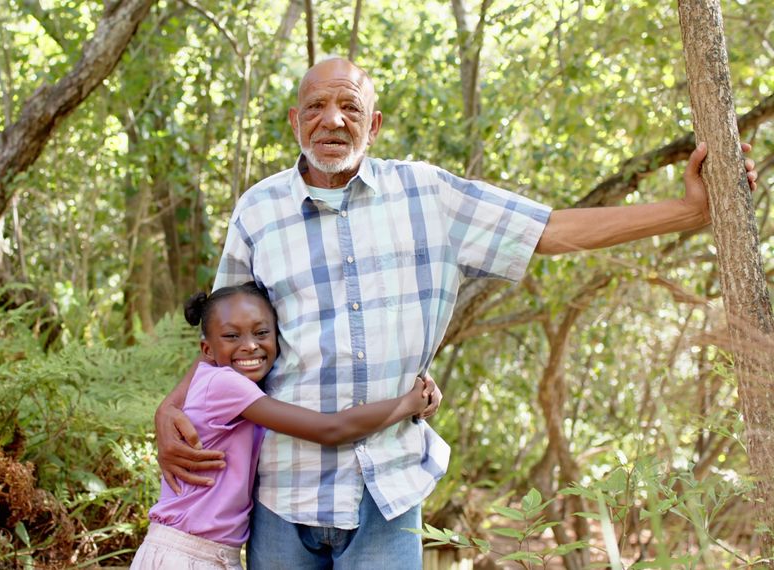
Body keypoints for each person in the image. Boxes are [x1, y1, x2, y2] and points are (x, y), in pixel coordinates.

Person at [154, 57, 760, 569]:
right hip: (281, 488)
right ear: (294, 121)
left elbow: (549, 230)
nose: (332, 120)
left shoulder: (429, 195)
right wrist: (169, 409)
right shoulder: (258, 210)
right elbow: (222, 335)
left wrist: (687, 213)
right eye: (316, 106)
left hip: (389, 486)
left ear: (374, 125)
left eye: (350, 107)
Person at [132, 282, 434, 570]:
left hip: (208, 553)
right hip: (186, 556)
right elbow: (330, 430)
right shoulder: (225, 385)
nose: (250, 345)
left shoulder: (237, 387)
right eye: (232, 336)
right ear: (207, 350)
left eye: (262, 332)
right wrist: (409, 403)